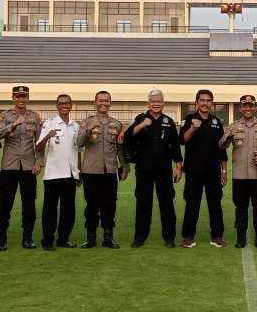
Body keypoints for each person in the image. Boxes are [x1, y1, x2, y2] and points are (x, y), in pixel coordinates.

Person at [125, 89, 183, 248]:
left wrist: (178, 167)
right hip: (144, 169)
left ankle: (169, 238)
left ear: (163, 103)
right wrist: (142, 125)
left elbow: (175, 147)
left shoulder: (169, 121)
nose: (156, 104)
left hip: (164, 169)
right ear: (148, 103)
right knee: (143, 203)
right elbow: (128, 135)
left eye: (159, 101)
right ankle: (139, 237)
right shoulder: (140, 118)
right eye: (153, 101)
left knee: (167, 203)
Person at [220, 94, 257, 249]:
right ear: (240, 108)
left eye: (251, 105)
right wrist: (228, 135)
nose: (248, 108)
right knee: (240, 207)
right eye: (245, 105)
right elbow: (222, 145)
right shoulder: (233, 125)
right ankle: (241, 238)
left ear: (255, 108)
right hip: (239, 176)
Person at [76, 90, 128, 249]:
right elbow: (78, 143)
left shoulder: (117, 124)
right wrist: (88, 130)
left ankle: (108, 237)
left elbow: (120, 148)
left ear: (110, 103)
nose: (104, 103)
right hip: (91, 171)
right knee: (91, 205)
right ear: (95, 103)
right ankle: (90, 237)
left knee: (110, 205)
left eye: (107, 101)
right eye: (101, 100)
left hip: (110, 171)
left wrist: (124, 166)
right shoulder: (86, 122)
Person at [0, 85, 43, 250]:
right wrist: (13, 125)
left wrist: (39, 162)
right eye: (18, 96)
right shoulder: (4, 116)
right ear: (13, 98)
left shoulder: (35, 117)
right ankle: (1, 238)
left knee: (29, 203)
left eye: (24, 96)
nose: (21, 99)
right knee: (6, 203)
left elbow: (40, 143)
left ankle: (28, 237)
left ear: (28, 98)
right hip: (9, 166)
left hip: (29, 166)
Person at [179, 89, 229, 248]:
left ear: (212, 103)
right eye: (202, 100)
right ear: (196, 102)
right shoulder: (189, 119)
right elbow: (182, 140)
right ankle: (188, 236)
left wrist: (224, 170)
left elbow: (222, 148)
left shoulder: (217, 122)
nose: (205, 103)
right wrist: (193, 128)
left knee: (215, 204)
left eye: (208, 100)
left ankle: (217, 236)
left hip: (213, 171)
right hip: (193, 171)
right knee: (192, 203)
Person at [36, 94, 81, 250]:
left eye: (67, 103)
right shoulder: (49, 124)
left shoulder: (76, 126)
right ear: (57, 105)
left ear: (71, 105)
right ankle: (47, 240)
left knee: (68, 210)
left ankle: (63, 238)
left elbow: (78, 150)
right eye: (61, 103)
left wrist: (78, 172)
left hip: (70, 173)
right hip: (53, 174)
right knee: (50, 209)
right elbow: (39, 148)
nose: (65, 106)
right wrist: (47, 136)